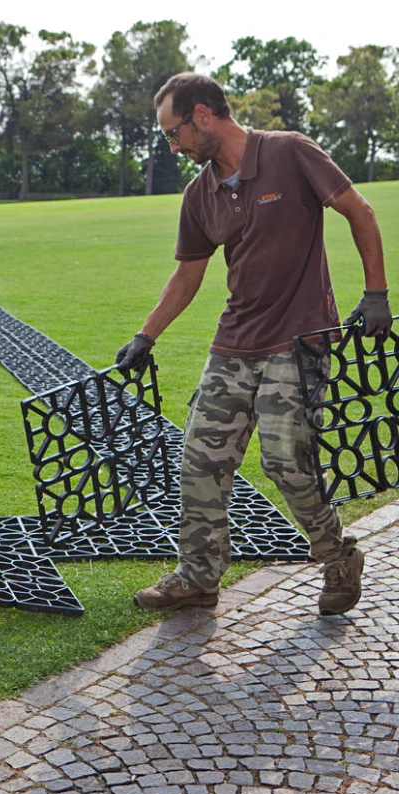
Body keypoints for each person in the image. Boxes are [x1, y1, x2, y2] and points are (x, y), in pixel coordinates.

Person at [116, 72, 391, 616]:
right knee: (200, 459)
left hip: (300, 337)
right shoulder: (200, 194)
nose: (172, 147)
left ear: (202, 115)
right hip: (235, 342)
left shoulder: (290, 153)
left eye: (174, 134)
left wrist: (376, 293)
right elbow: (188, 276)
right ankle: (198, 576)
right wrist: (146, 335)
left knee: (286, 458)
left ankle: (338, 558)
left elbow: (360, 211)